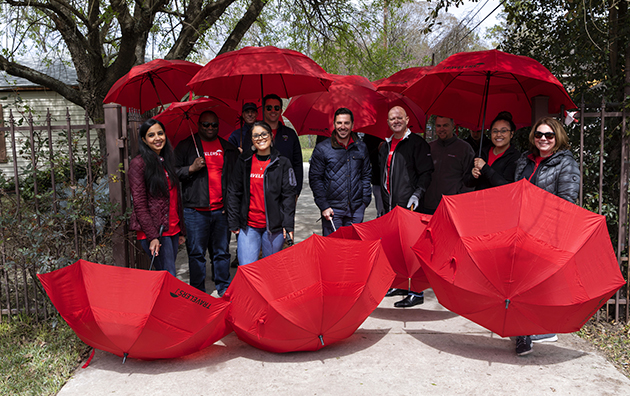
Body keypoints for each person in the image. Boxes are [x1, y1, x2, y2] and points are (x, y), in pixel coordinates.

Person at [513, 116, 580, 356]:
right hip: (521, 228)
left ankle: (526, 333)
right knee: (521, 280)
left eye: (549, 135)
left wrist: (543, 223)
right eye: (539, 134)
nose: (543, 139)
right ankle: (533, 328)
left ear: (557, 137)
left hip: (546, 231)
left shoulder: (566, 163)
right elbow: (515, 192)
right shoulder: (525, 160)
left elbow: (567, 201)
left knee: (533, 282)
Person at [174, 111, 238, 296]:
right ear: (198, 125)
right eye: (205, 124)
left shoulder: (227, 147)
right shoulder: (186, 146)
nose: (210, 128)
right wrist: (190, 169)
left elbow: (235, 179)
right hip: (195, 211)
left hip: (221, 211)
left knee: (221, 253)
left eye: (214, 125)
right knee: (196, 254)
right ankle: (198, 292)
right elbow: (173, 172)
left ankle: (224, 288)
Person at [379, 106, 434, 307]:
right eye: (392, 118)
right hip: (391, 206)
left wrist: (417, 194)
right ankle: (401, 284)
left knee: (412, 249)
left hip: (410, 205)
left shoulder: (416, 144)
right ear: (388, 122)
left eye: (399, 118)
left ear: (407, 119)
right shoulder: (385, 146)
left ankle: (416, 292)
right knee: (396, 248)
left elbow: (426, 173)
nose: (396, 121)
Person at [227, 122, 297, 265]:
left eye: (264, 134)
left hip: (274, 227)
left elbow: (288, 196)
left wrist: (288, 225)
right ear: (252, 140)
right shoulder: (244, 161)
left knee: (271, 269)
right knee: (247, 268)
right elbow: (234, 191)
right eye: (256, 136)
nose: (260, 138)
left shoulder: (282, 163)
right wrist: (234, 221)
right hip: (249, 226)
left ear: (271, 136)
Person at [129, 119, 185, 277]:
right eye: (151, 135)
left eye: (160, 133)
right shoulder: (138, 164)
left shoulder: (166, 160)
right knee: (169, 277)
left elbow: (175, 198)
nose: (157, 138)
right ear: (144, 140)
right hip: (156, 232)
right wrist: (152, 237)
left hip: (172, 229)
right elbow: (139, 205)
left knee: (167, 276)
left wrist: (181, 230)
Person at [309, 107, 372, 236]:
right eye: (339, 123)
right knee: (332, 251)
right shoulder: (322, 149)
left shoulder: (361, 148)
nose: (342, 127)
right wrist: (324, 206)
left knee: (353, 250)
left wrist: (364, 202)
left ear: (352, 125)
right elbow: (315, 179)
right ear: (334, 124)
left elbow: (366, 175)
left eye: (346, 123)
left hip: (356, 209)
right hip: (332, 211)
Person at [423, 116, 475, 214]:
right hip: (428, 206)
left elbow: (470, 180)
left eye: (445, 125)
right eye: (438, 126)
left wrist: (458, 198)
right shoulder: (429, 147)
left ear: (453, 126)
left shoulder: (464, 149)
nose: (441, 129)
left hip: (452, 207)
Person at [464, 111, 521, 191]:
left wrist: (485, 167)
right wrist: (473, 175)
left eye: (503, 131)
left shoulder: (515, 157)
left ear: (511, 134)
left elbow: (506, 187)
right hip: (479, 200)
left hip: (500, 202)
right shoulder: (482, 152)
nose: (498, 135)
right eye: (495, 131)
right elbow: (467, 182)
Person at [262, 94, 303, 198]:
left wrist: (297, 192)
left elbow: (297, 164)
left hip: (286, 191)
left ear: (281, 110)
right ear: (263, 109)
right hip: (261, 190)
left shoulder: (290, 134)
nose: (273, 111)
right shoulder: (255, 133)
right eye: (269, 107)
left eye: (276, 108)